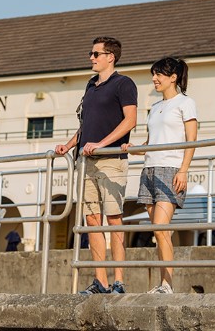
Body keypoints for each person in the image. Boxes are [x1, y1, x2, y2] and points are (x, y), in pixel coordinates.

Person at [55, 36, 137, 294]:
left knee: (114, 220)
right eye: (91, 53)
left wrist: (102, 143)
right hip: (87, 163)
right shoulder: (91, 85)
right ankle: (100, 281)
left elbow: (130, 120)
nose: (91, 57)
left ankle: (118, 281)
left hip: (111, 162)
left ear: (110, 56)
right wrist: (69, 146)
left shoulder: (124, 84)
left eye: (96, 54)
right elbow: (86, 125)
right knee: (92, 221)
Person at [121, 57, 197, 294]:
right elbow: (152, 142)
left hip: (171, 170)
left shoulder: (186, 103)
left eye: (158, 75)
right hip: (149, 169)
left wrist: (183, 170)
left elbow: (191, 140)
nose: (154, 79)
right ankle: (164, 282)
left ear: (173, 77)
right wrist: (134, 148)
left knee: (162, 228)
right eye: (153, 74)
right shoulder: (154, 108)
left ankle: (168, 284)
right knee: (157, 230)